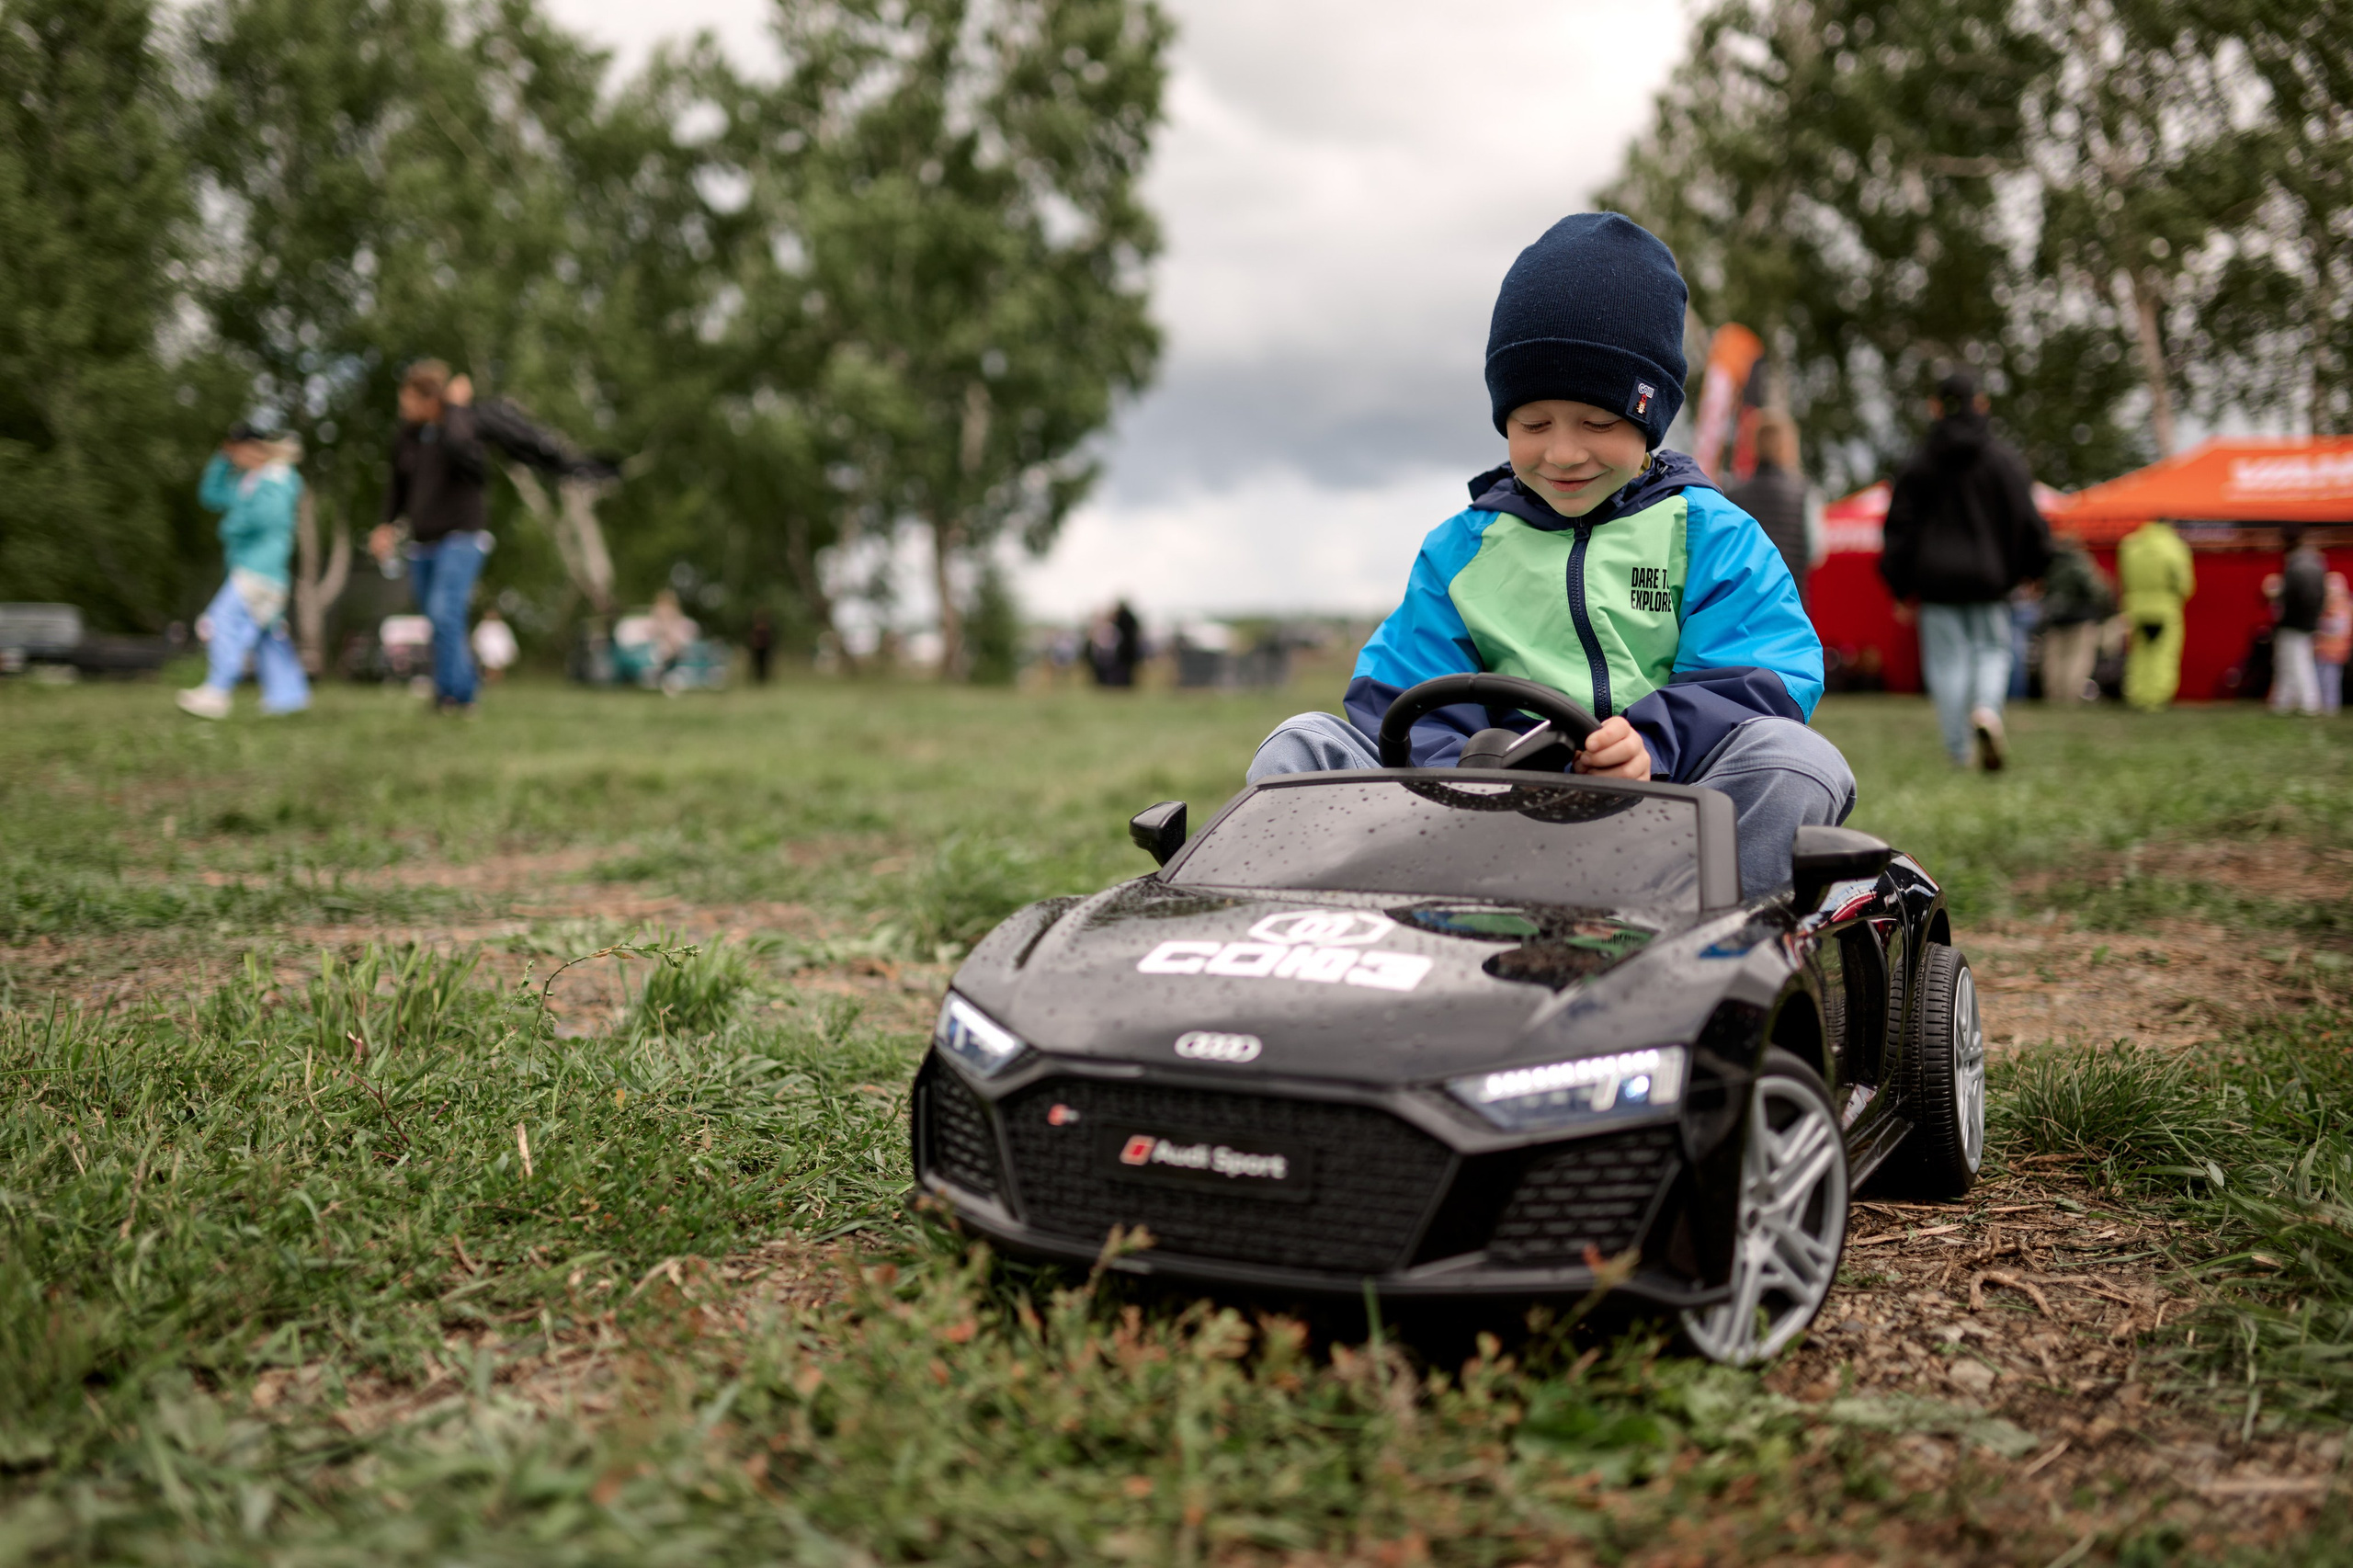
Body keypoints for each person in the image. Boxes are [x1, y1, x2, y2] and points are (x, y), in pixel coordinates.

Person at [1247, 212, 1851, 897]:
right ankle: (1300, 934)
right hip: (1475, 822)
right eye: (1533, 425)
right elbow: (1402, 690)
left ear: (1650, 417)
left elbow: (1760, 675)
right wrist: (1464, 775)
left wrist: (1651, 742)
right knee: (1303, 743)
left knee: (1796, 759)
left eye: (1597, 422)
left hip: (1668, 816)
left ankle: (1710, 939)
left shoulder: (1713, 534)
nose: (1563, 453)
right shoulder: (1463, 549)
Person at [1879, 371, 2052, 770]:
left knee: (1947, 664)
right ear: (1982, 403)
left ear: (1935, 407)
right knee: (1993, 652)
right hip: (1990, 582)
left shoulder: (1918, 463)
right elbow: (2027, 518)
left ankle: (1959, 750)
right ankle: (1987, 711)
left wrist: (1898, 585)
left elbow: (1899, 527)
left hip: (1936, 585)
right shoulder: (2002, 460)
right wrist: (2036, 566)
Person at [371, 359, 489, 713]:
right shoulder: (406, 437)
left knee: (444, 613)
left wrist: (453, 409)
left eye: (408, 400)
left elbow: (472, 463)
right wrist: (385, 525)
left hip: (462, 537)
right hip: (424, 542)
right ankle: (456, 691)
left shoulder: (461, 426)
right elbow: (398, 487)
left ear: (430, 399)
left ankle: (453, 697)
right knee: (438, 619)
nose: (403, 408)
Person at [177, 423, 311, 720]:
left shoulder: (277, 477)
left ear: (257, 448)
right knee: (268, 636)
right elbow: (210, 495)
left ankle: (217, 691)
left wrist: (230, 526)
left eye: (239, 449)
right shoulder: (246, 482)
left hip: (262, 570)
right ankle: (288, 697)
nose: (236, 455)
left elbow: (270, 518)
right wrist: (222, 459)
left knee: (222, 620)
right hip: (252, 570)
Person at [1727, 411, 1824, 606]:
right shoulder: (1805, 494)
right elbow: (1816, 553)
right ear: (1788, 446)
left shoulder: (1733, 494)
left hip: (1747, 604)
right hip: (1790, 602)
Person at [2117, 518, 2195, 710]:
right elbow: (2184, 583)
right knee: (2162, 655)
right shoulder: (2174, 546)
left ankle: (2137, 695)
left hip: (2136, 608)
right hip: (2164, 609)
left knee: (2139, 654)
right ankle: (2157, 698)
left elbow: (2123, 577)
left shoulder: (2130, 545)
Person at [2038, 540, 2115, 704]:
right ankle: (2070, 695)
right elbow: (2095, 588)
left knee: (2054, 657)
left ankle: (2053, 695)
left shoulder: (2050, 562)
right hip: (2080, 615)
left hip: (2055, 616)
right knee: (2077, 657)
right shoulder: (2079, 562)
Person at [2268, 527, 2326, 716]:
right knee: (2289, 662)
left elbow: (2301, 597)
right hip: (2303, 621)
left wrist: (2278, 595)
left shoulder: (2299, 564)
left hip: (2296, 622)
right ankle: (2285, 702)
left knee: (2297, 662)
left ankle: (2308, 703)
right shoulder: (2313, 561)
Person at [2318, 573, 2350, 716]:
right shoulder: (2322, 609)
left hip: (2334, 654)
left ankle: (2331, 709)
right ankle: (2319, 707)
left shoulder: (2344, 608)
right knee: (2319, 681)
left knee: (2331, 682)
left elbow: (2340, 630)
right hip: (2320, 652)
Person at [471, 606, 518, 683]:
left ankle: (498, 681)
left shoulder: (502, 626)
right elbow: (477, 637)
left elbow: (507, 638)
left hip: (499, 650)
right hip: (486, 650)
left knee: (499, 667)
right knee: (488, 667)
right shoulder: (483, 625)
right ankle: (489, 681)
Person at [746, 608, 776, 684]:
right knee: (758, 664)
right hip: (758, 648)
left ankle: (762, 678)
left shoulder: (764, 628)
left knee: (763, 664)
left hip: (763, 648)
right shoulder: (758, 628)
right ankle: (759, 678)